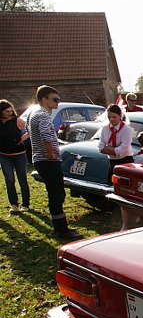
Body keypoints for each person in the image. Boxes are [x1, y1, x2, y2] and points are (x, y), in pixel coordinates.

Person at [28, 85, 82, 239]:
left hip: (41, 159)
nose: (58, 102)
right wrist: (51, 153)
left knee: (55, 193)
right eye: (55, 99)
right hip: (48, 160)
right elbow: (45, 135)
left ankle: (60, 227)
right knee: (57, 194)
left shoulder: (34, 113)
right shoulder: (43, 115)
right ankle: (61, 230)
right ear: (44, 99)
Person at [0, 99, 30, 212]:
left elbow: (30, 128)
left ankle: (25, 204)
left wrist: (23, 138)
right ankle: (14, 204)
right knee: (9, 179)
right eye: (7, 111)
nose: (10, 113)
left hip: (19, 155)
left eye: (11, 111)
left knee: (22, 179)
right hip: (4, 155)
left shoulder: (17, 121)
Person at [98, 104, 134, 181]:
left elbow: (123, 149)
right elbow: (101, 148)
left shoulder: (126, 129)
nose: (111, 119)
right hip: (112, 161)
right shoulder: (105, 128)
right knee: (111, 183)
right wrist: (114, 150)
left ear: (120, 116)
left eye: (114, 117)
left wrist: (109, 149)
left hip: (125, 161)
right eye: (109, 117)